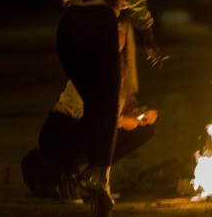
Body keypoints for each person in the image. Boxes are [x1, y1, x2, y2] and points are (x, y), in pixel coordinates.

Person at [55, 0, 163, 217]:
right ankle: (97, 177)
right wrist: (149, 38)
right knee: (105, 107)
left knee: (93, 105)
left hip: (69, 27)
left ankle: (95, 185)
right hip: (100, 23)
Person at [26, 13, 158, 204]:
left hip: (93, 131)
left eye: (121, 34)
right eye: (112, 33)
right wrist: (120, 122)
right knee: (86, 128)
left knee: (145, 130)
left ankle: (91, 178)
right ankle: (67, 178)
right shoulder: (90, 63)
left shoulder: (122, 65)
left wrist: (139, 114)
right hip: (60, 133)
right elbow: (86, 113)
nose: (117, 39)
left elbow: (127, 102)